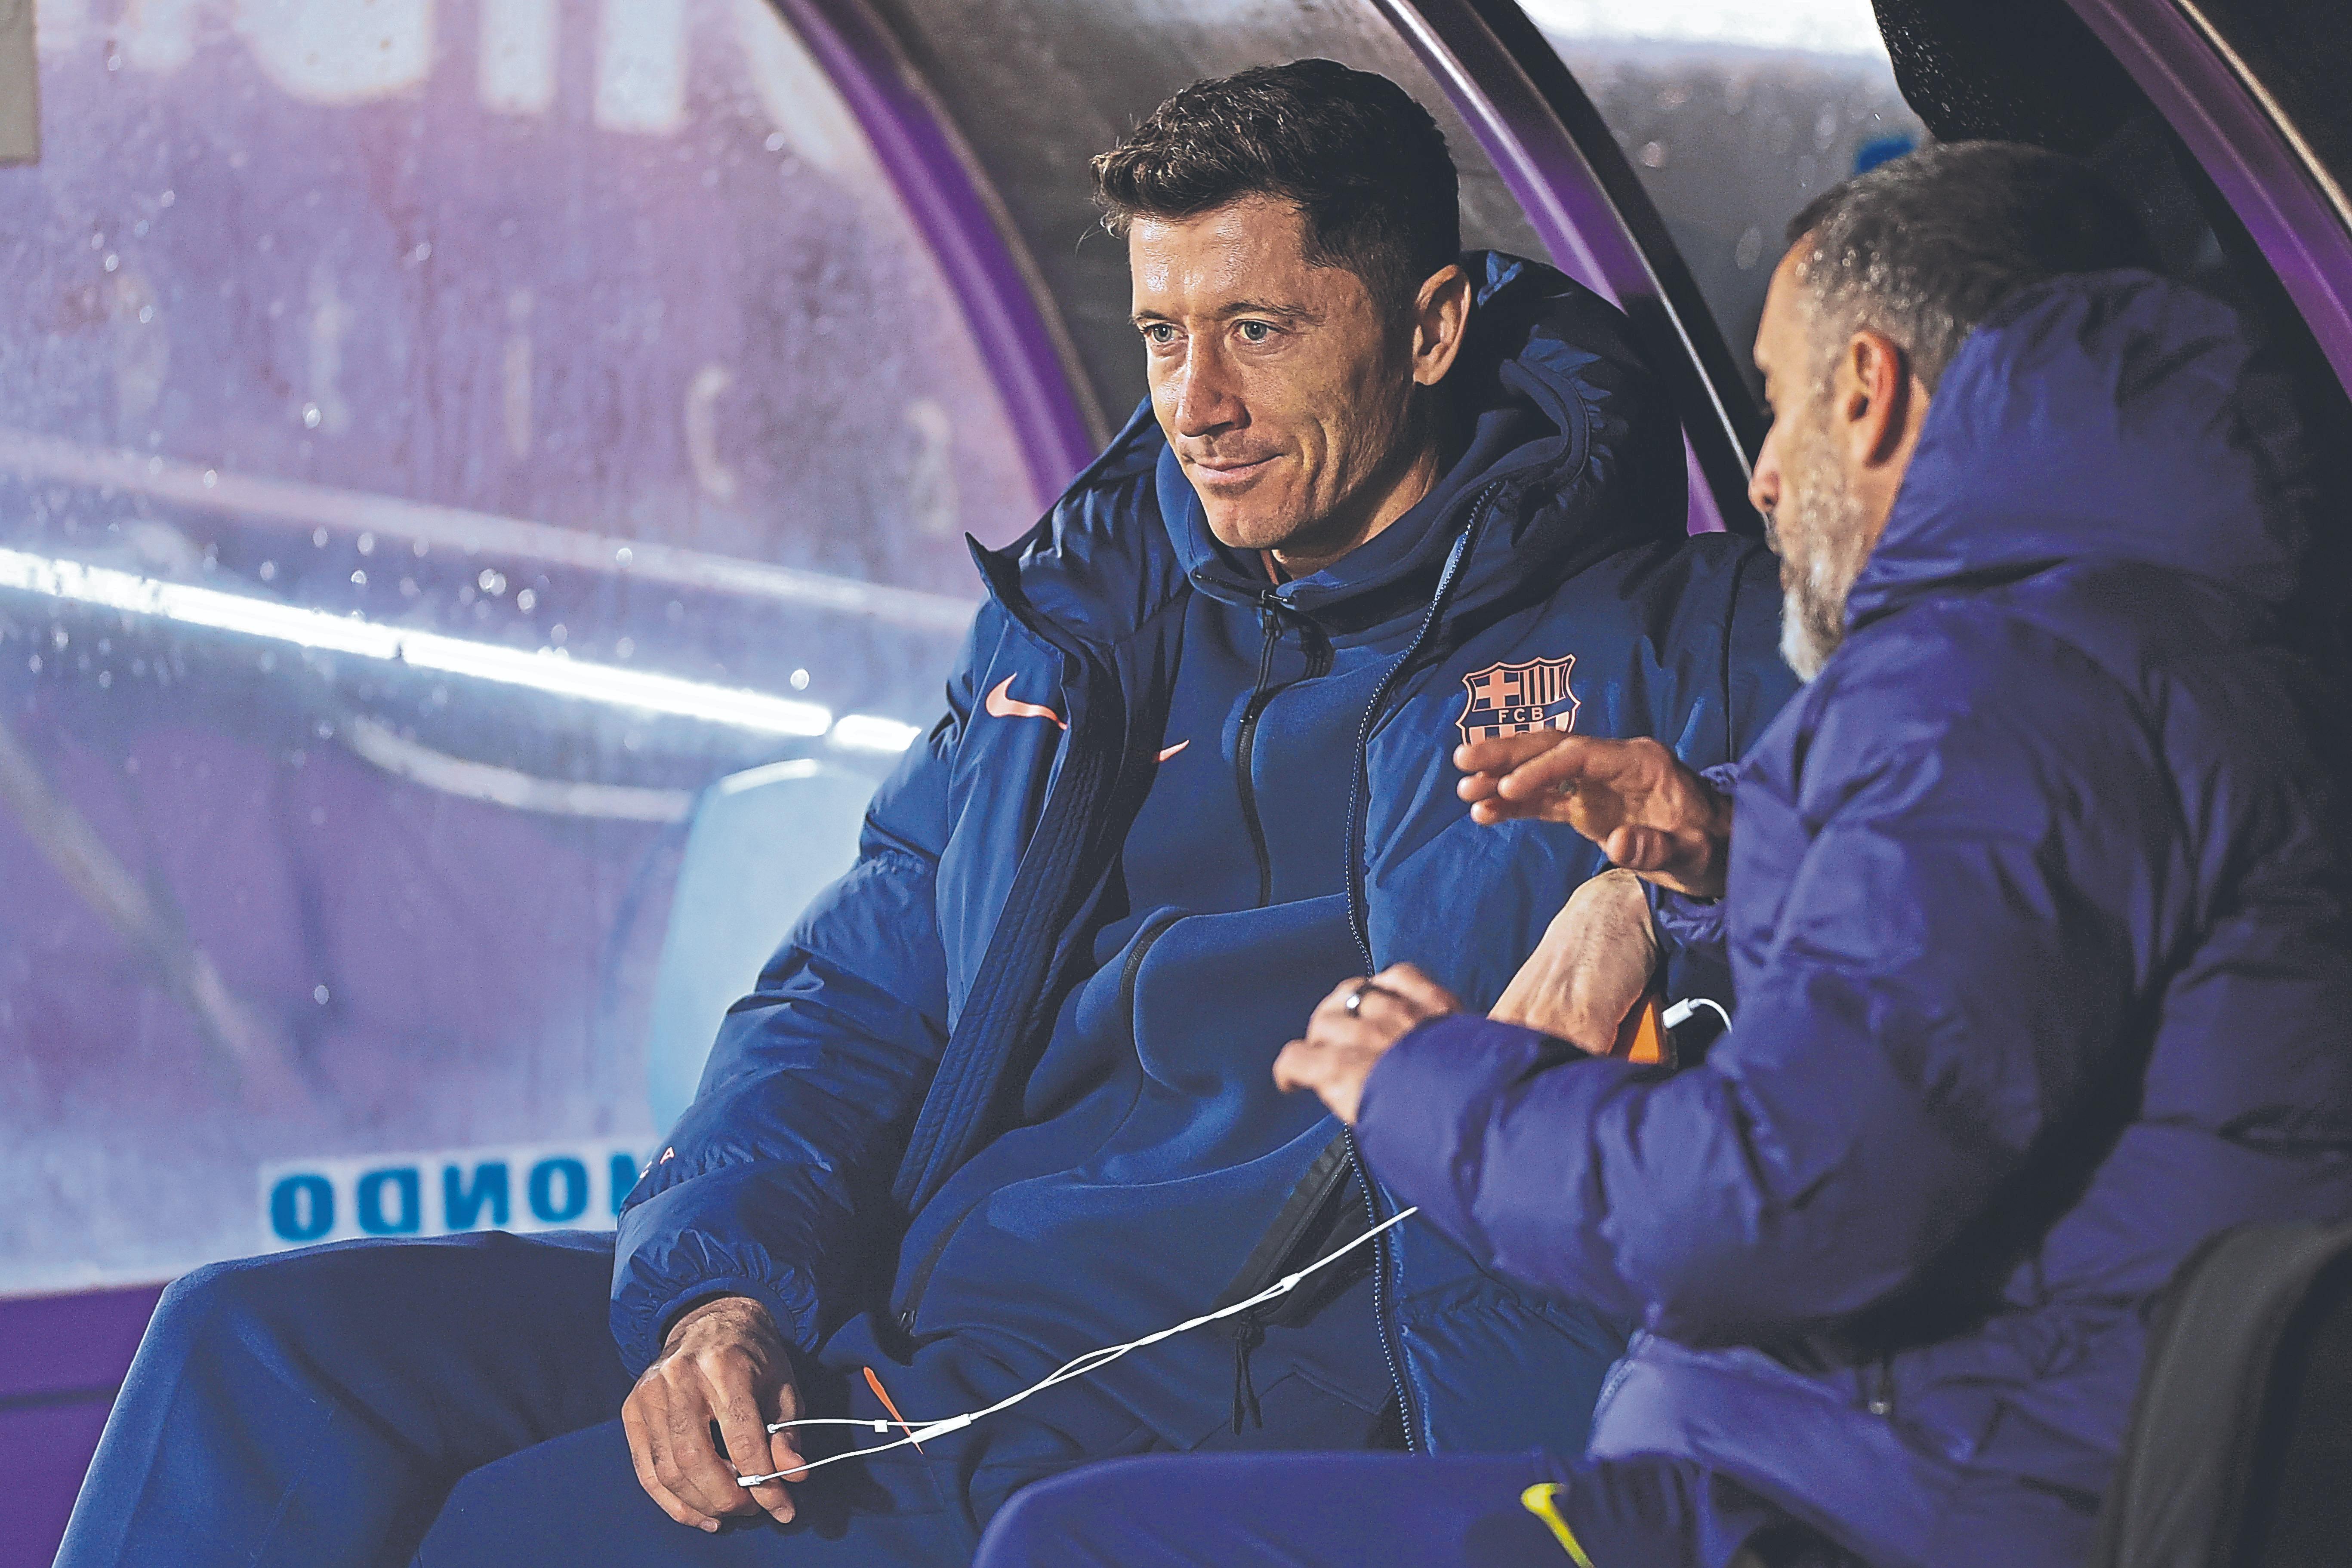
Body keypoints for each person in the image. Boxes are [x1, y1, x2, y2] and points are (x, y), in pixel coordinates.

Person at [56, 61, 1794, 1567]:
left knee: (502, 1538)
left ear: (1426, 329)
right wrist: (722, 1293)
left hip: (1196, 1370)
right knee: (254, 1350)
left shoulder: (1669, 637)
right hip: (914, 1285)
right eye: (1163, 335)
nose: (1193, 406)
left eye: (1258, 332)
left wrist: (1674, 884)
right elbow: (857, 990)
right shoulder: (1084, 630)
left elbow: (1922, 834)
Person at [970, 141, 2352, 1568]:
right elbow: (1999, 956)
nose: (1762, 479)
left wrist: (1428, 1083)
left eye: (1778, 403)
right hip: (1909, 1470)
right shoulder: (2157, 653)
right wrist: (1727, 852)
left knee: (1079, 1546)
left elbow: (1784, 1206)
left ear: (1868, 391)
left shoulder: (1980, 688)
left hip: (1846, 1513)